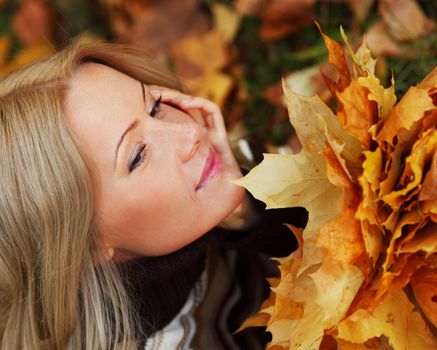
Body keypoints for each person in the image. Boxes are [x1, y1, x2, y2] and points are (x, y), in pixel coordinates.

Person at [0, 38, 306, 349]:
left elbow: (336, 233)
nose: (189, 134)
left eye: (155, 107)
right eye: (137, 156)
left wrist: (248, 207)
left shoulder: (222, 180)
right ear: (87, 246)